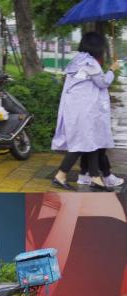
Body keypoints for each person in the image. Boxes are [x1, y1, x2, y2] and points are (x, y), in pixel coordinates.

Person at [51, 32, 120, 192]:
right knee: (80, 144)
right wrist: (112, 69)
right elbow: (103, 82)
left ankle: (95, 177)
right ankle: (60, 176)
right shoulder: (90, 63)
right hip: (84, 110)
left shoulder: (77, 60)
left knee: (92, 141)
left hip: (78, 109)